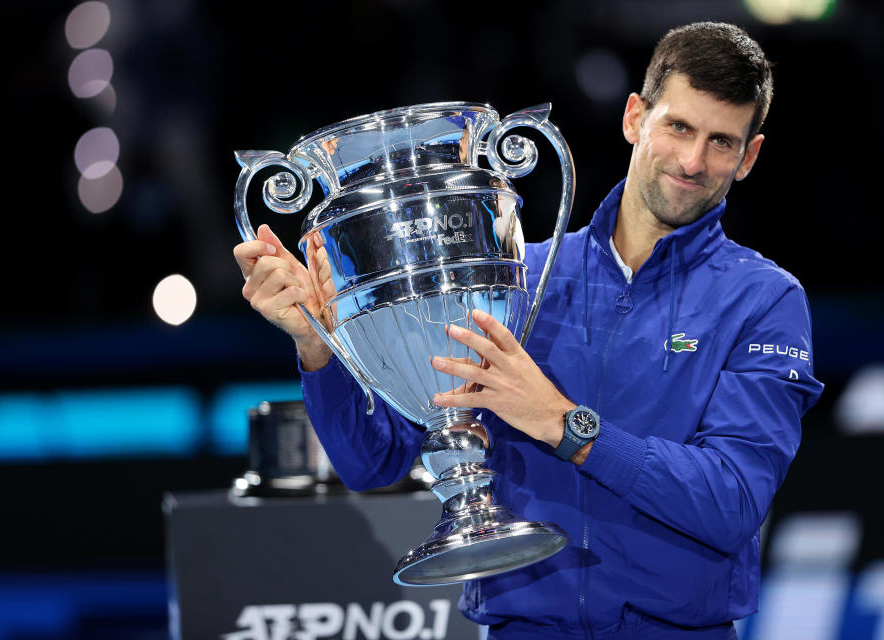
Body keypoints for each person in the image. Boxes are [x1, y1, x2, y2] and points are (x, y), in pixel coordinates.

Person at [234, 21, 823, 640]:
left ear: (749, 156)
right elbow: (374, 461)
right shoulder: (517, 278)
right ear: (634, 118)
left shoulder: (764, 300)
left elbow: (731, 502)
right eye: (678, 127)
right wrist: (315, 346)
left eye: (722, 141)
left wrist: (563, 424)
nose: (693, 160)